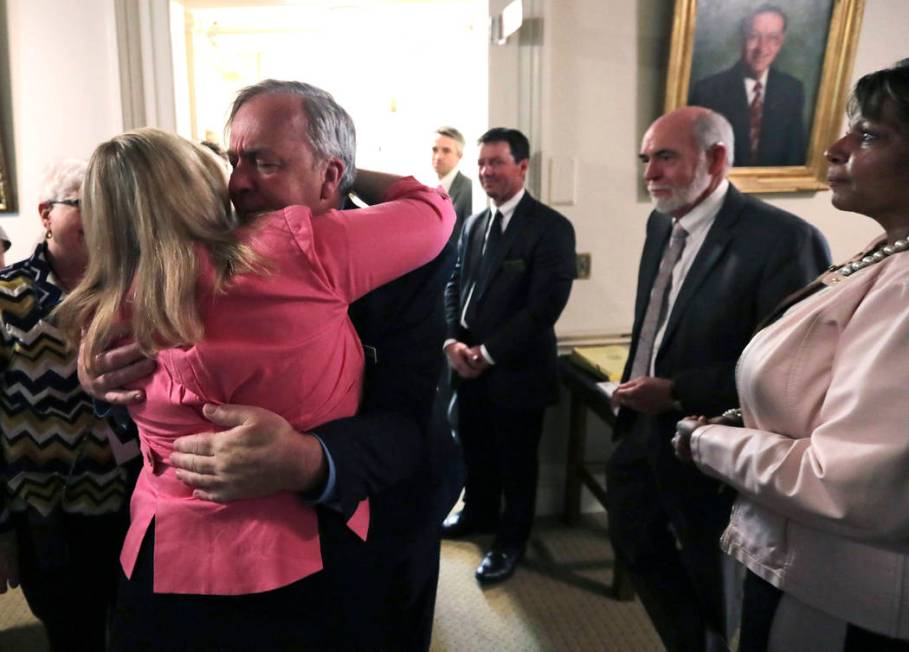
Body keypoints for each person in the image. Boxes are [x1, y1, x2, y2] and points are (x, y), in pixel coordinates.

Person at [77, 80, 459, 651]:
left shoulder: (394, 256)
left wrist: (311, 460)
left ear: (332, 177)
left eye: (262, 161)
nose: (237, 182)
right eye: (231, 160)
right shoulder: (189, 255)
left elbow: (408, 415)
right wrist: (97, 376)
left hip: (376, 515)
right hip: (198, 552)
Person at [675, 61, 909, 651]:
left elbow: (844, 484)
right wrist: (743, 420)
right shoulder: (887, 251)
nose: (834, 148)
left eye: (870, 136)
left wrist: (707, 444)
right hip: (798, 559)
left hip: (845, 591)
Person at [607, 106, 829, 651]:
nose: (649, 173)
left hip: (714, 441)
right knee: (636, 543)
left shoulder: (782, 240)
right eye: (646, 159)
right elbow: (653, 322)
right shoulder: (661, 220)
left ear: (717, 158)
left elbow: (787, 368)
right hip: (638, 428)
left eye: (665, 157)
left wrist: (680, 391)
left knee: (714, 574)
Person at [0, 159, 136, 651]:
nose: (101, 220)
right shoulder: (8, 298)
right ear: (45, 214)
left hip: (133, 501)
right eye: (84, 206)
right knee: (71, 633)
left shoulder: (132, 290)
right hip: (46, 514)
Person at [441, 127, 576, 584]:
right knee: (474, 451)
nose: (485, 172)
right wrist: (451, 342)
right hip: (468, 368)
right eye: (481, 163)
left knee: (517, 465)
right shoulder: (477, 223)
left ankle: (511, 541)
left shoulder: (552, 229)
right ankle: (477, 515)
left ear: (522, 166)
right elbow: (456, 285)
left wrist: (489, 353)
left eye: (496, 162)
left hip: (516, 372)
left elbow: (544, 307)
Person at [689, 3, 805, 167]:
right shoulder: (707, 91)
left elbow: (795, 158)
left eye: (772, 38)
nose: (762, 48)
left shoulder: (792, 90)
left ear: (781, 42)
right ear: (742, 38)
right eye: (753, 36)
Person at [433, 126, 473, 239]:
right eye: (435, 149)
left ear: (459, 156)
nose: (438, 156)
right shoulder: (430, 189)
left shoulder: (470, 189)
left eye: (446, 151)